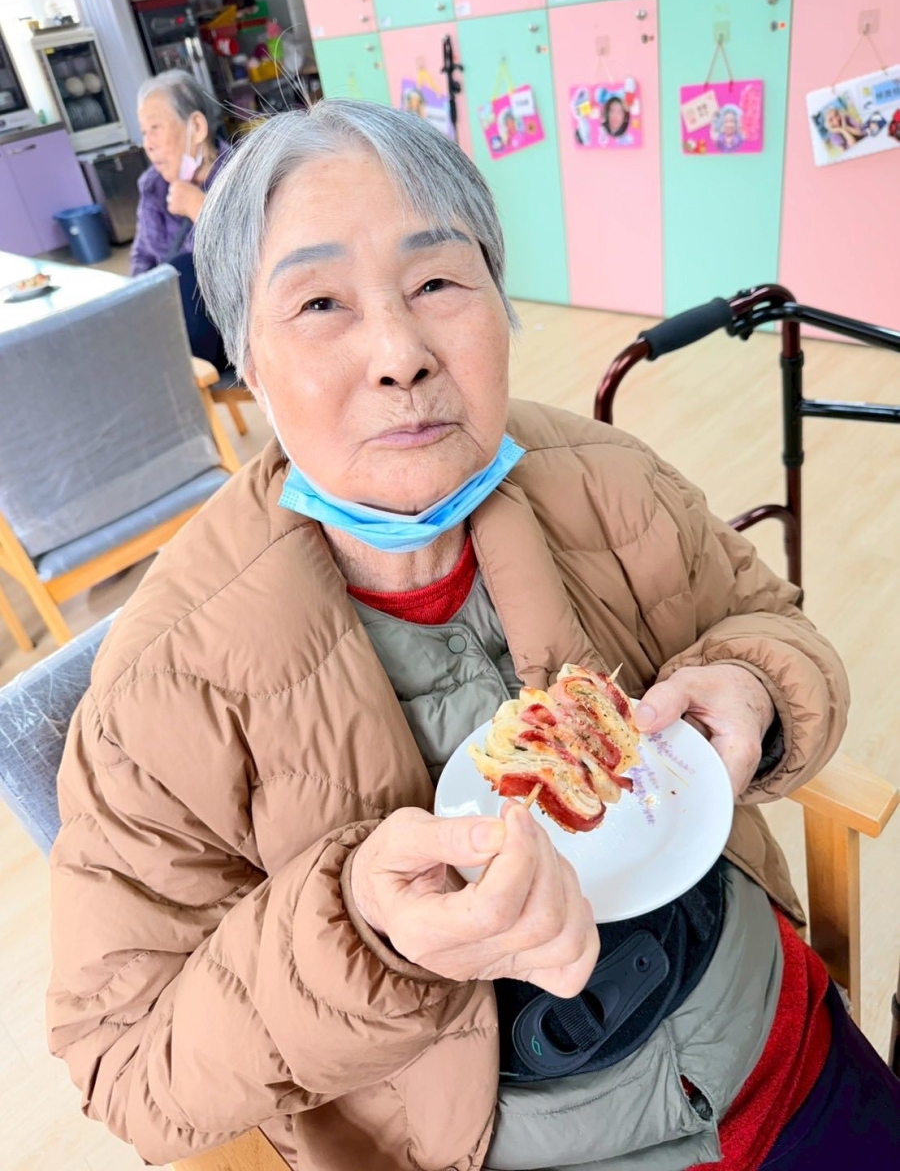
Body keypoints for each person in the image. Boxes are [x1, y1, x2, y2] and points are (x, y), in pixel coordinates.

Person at [47, 100, 899, 1171]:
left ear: (501, 300)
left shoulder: (607, 475)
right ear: (249, 363)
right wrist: (361, 928)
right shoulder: (164, 681)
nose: (400, 355)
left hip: (778, 1032)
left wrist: (757, 686)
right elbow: (125, 1063)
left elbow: (770, 624)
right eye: (320, 302)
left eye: (439, 282)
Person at [131, 69, 229, 366]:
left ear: (196, 127)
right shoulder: (154, 185)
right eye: (144, 132)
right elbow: (143, 258)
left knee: (185, 269)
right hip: (171, 324)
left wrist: (201, 210)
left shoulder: (242, 174)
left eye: (155, 128)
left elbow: (256, 260)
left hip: (230, 321)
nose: (148, 144)